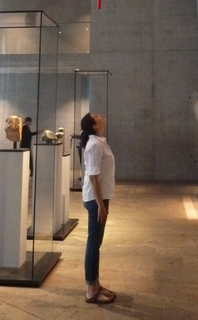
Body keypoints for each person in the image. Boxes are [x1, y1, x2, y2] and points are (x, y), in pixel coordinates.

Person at [80, 112, 116, 304]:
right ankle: (91, 290)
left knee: (96, 242)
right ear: (94, 125)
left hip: (100, 197)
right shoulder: (94, 145)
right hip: (96, 199)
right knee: (93, 243)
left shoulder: (98, 142)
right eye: (96, 116)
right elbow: (93, 177)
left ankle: (95, 283)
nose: (100, 115)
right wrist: (101, 205)